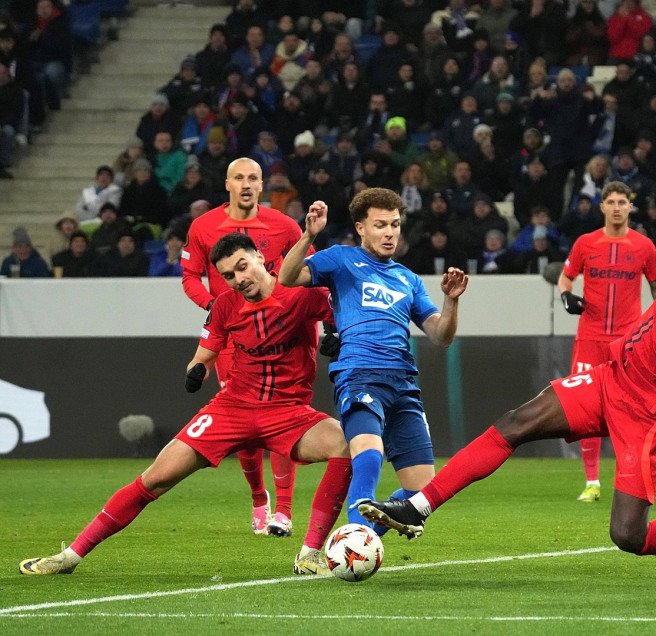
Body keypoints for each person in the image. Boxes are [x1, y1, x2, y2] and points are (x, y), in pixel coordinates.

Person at [358, 242, 656, 581]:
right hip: (610, 380)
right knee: (515, 422)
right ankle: (416, 508)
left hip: (648, 418)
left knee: (628, 535)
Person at [18, 233, 352, 577]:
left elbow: (345, 315)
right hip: (232, 409)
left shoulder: (303, 294)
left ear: (259, 259)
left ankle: (309, 555)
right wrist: (196, 371)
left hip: (287, 411)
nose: (239, 279)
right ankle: (69, 557)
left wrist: (339, 335)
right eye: (229, 275)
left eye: (242, 267)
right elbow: (203, 357)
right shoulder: (224, 305)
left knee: (344, 444)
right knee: (154, 479)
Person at [278, 187, 468, 535]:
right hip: (360, 373)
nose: (390, 232)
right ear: (361, 228)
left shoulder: (407, 279)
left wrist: (451, 301)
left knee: (423, 489)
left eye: (395, 224)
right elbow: (287, 278)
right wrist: (307, 235)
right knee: (368, 452)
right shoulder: (341, 259)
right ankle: (355, 541)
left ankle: (364, 535)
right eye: (380, 225)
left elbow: (441, 336)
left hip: (403, 383)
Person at [181, 157, 308, 537]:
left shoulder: (284, 225)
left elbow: (310, 272)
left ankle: (283, 512)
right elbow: (189, 276)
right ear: (227, 184)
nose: (247, 184)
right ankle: (258, 499)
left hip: (278, 334)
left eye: (253, 177)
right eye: (239, 177)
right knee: (242, 425)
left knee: (282, 419)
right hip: (232, 339)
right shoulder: (203, 227)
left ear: (262, 184)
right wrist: (216, 309)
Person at [556, 182, 656, 502]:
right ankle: (592, 483)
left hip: (628, 341)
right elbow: (566, 276)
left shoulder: (645, 247)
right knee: (585, 408)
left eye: (623, 202)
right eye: (611, 202)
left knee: (641, 408)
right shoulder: (585, 243)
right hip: (590, 337)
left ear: (630, 207)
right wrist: (565, 294)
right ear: (602, 207)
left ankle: (654, 476)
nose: (617, 207)